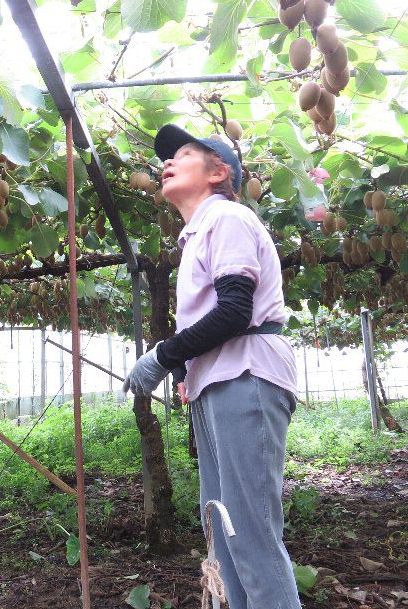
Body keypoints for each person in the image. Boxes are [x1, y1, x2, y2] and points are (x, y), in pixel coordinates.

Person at [123, 124, 301, 609]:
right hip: (220, 380)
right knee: (224, 534)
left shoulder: (227, 218)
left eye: (183, 153)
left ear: (218, 172)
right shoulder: (199, 232)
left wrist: (165, 355)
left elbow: (234, 310)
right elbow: (212, 315)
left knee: (250, 535)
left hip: (246, 375)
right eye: (169, 156)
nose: (168, 161)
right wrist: (186, 372)